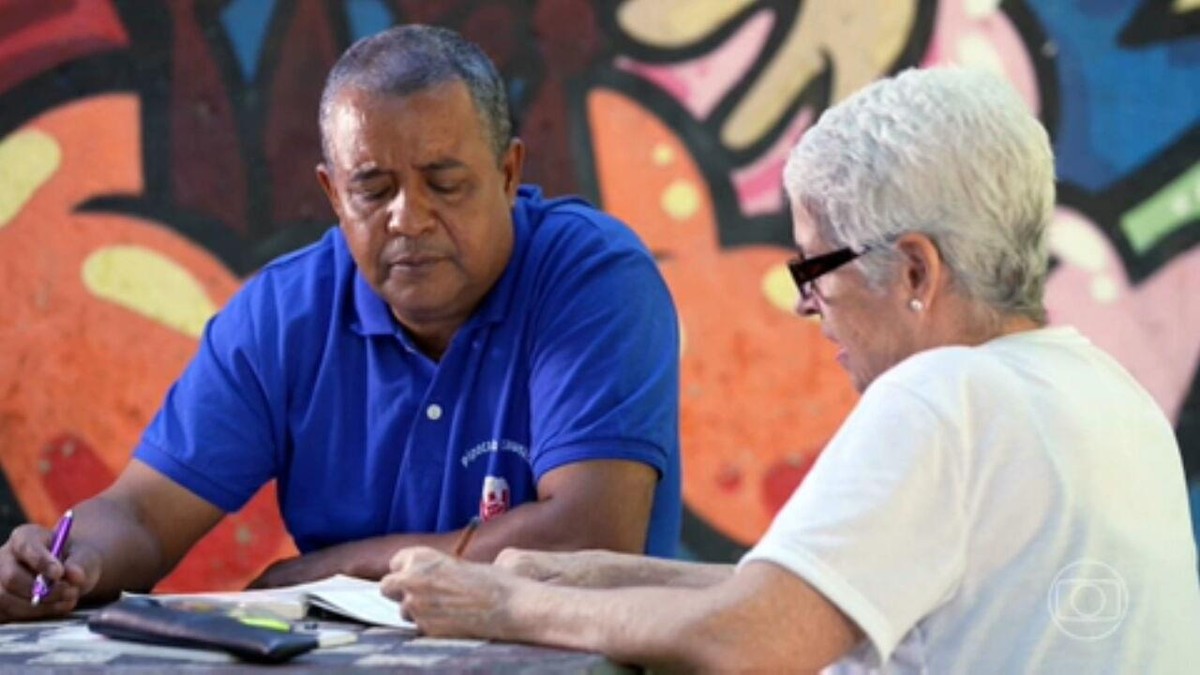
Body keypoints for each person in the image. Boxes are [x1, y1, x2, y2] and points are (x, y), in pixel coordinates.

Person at [380, 67, 1200, 672]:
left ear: (914, 271)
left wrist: (504, 602)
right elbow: (799, 596)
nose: (808, 307)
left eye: (816, 271)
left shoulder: (945, 395)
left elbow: (749, 639)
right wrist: (593, 573)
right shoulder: (1103, 392)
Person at [0, 25, 682, 621]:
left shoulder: (592, 278)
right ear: (332, 193)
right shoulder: (283, 314)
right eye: (374, 188)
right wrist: (67, 558)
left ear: (508, 174)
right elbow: (142, 516)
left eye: (445, 183)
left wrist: (332, 567)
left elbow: (591, 535)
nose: (409, 219)